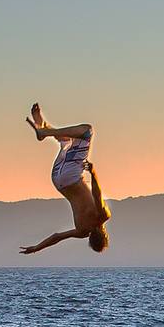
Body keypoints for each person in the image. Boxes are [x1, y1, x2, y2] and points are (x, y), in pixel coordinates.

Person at [20, 102, 112, 254]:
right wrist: (36, 248)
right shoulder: (81, 231)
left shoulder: (103, 216)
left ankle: (43, 131)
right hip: (58, 179)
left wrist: (94, 174)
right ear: (90, 240)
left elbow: (97, 195)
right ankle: (44, 127)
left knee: (86, 131)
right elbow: (57, 237)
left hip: (71, 175)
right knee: (68, 141)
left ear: (105, 235)